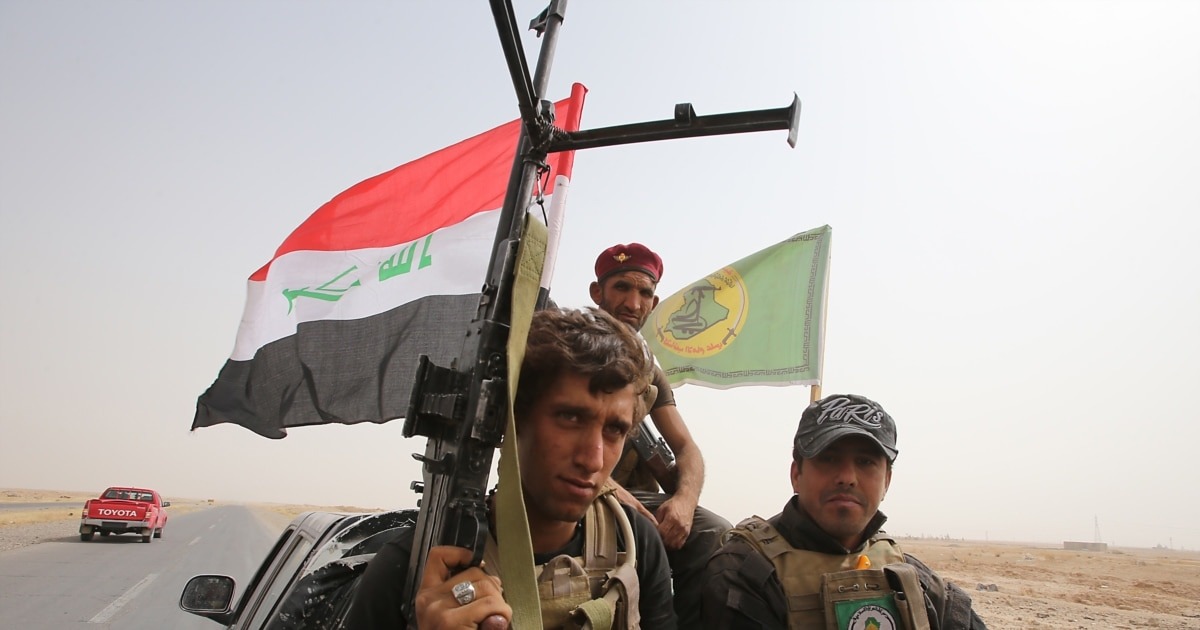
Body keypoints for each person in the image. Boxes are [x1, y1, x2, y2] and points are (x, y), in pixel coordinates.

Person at [341, 307, 677, 630]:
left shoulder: (635, 544)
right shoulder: (407, 569)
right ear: (514, 420)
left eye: (614, 430)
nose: (593, 459)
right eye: (570, 417)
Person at [700, 394, 987, 629]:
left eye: (865, 462)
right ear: (796, 474)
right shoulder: (746, 571)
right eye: (828, 459)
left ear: (886, 481)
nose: (847, 477)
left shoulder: (907, 572)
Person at [589, 242, 732, 628]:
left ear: (653, 303)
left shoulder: (646, 368)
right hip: (579, 490)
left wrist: (683, 502)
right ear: (597, 292)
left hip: (634, 500)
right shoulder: (574, 350)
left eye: (644, 293)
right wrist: (613, 495)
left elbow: (686, 447)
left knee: (715, 533)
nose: (632, 303)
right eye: (621, 288)